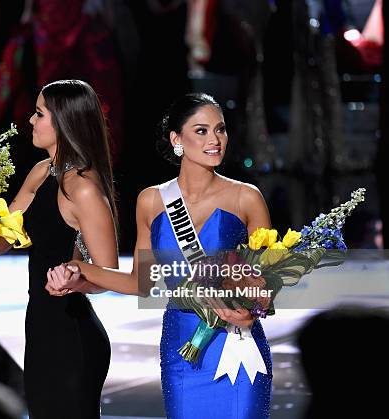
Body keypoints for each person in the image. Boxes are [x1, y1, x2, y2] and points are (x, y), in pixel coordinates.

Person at [47, 93, 273, 418]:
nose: (215, 140)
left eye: (220, 130)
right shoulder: (152, 201)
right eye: (201, 131)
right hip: (182, 349)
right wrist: (79, 271)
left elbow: (268, 281)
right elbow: (141, 283)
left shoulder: (246, 198)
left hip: (237, 346)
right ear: (176, 139)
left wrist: (252, 305)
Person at [0, 79, 118, 418]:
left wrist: (76, 278)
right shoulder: (42, 172)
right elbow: (3, 235)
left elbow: (110, 273)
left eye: (39, 114)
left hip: (71, 337)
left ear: (64, 122)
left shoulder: (82, 188)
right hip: (39, 327)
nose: (30, 121)